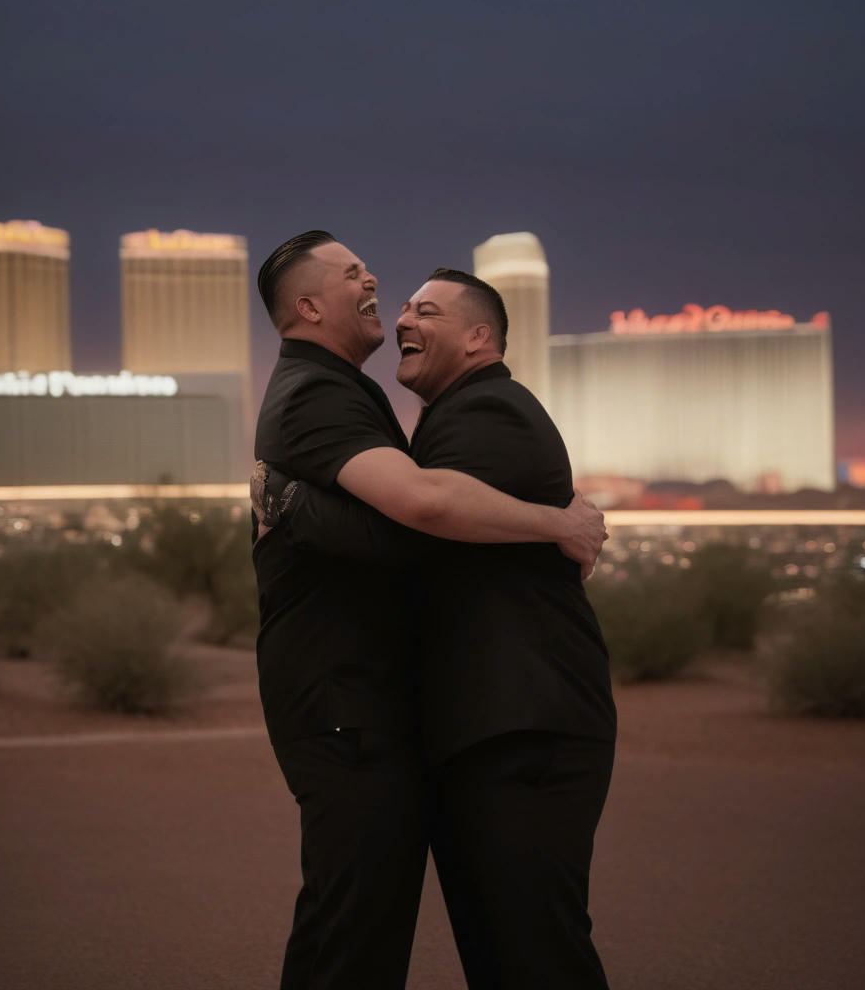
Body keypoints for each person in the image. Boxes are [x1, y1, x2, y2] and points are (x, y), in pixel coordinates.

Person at [251, 233, 608, 990]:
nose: (382, 288)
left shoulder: (482, 412)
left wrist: (292, 505)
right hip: (350, 703)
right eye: (355, 275)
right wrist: (558, 521)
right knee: (357, 935)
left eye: (426, 308)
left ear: (480, 337)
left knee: (502, 948)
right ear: (310, 306)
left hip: (513, 725)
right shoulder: (320, 392)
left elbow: (425, 521)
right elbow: (419, 513)